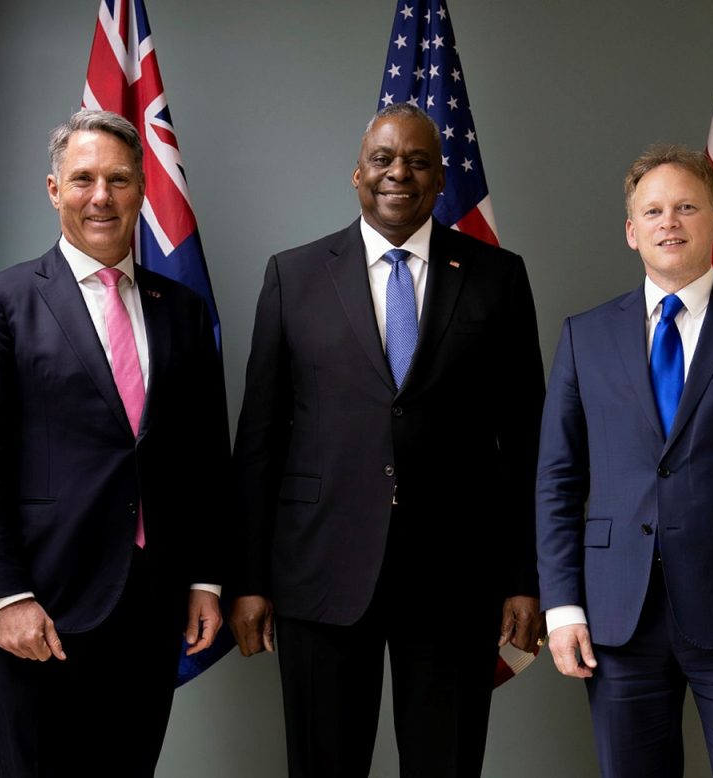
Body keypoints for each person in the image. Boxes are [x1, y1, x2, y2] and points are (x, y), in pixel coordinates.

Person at [229, 103, 545, 777]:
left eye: (419, 161)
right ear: (357, 174)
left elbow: (524, 440)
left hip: (456, 576)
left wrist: (525, 576)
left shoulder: (498, 277)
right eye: (384, 159)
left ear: (439, 181)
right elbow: (259, 439)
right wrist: (249, 578)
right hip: (319, 573)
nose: (399, 172)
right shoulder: (294, 276)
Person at [0, 109, 230, 777]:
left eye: (119, 179)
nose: (100, 196)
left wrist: (204, 576)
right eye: (83, 179)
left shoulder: (181, 310)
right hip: (42, 607)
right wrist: (5, 595)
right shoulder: (1, 304)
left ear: (141, 191)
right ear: (54, 191)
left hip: (151, 601)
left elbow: (204, 457)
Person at [535, 144, 713, 777]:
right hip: (617, 620)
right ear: (632, 231)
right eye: (654, 210)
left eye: (687, 207)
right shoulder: (584, 336)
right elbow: (557, 482)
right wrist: (561, 606)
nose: (670, 222)